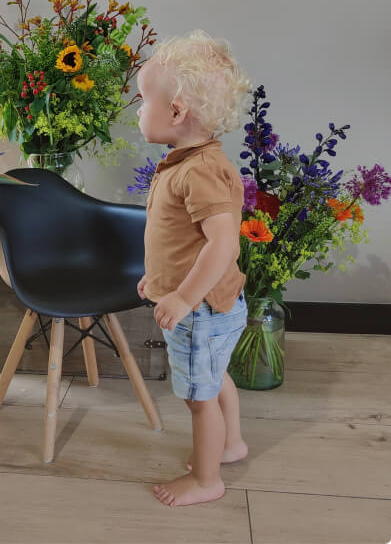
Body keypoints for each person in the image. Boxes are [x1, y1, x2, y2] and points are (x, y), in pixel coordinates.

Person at [135, 29, 253, 507]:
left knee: (198, 396)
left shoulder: (198, 170)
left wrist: (183, 297)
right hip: (210, 304)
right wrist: (162, 280)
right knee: (215, 373)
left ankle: (207, 480)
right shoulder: (189, 162)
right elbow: (184, 240)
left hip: (201, 310)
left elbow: (222, 244)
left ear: (176, 112)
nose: (139, 111)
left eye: (143, 101)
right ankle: (231, 444)